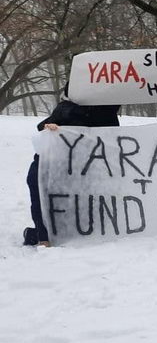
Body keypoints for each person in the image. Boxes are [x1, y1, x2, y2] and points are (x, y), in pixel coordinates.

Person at [23, 84, 121, 246]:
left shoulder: (106, 111)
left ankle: (49, 234)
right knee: (37, 182)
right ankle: (43, 237)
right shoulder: (66, 108)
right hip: (55, 163)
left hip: (85, 167)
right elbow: (44, 128)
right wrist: (50, 129)